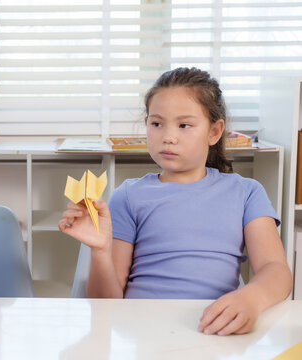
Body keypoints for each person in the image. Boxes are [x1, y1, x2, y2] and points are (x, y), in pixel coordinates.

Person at [59, 67, 292, 336]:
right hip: (143, 331)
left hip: (212, 331)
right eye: (157, 124)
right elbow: (106, 304)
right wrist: (100, 252)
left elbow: (276, 271)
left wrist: (251, 298)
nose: (168, 136)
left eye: (184, 125)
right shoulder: (128, 195)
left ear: (214, 132)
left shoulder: (247, 192)